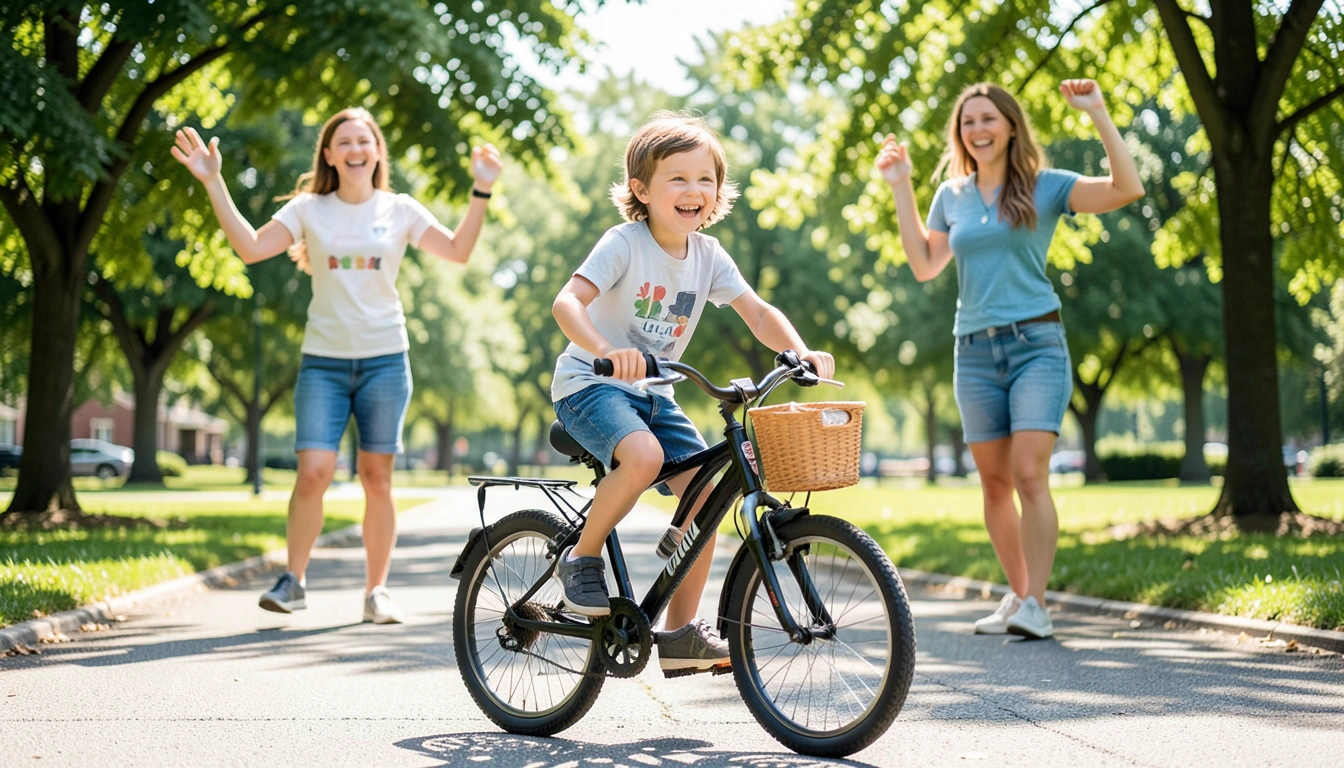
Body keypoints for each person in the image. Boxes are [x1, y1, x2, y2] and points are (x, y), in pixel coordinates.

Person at [171, 108, 503, 624]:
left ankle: (376, 592)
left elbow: (458, 251)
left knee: (377, 479)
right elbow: (251, 248)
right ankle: (293, 580)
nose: (355, 149)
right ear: (328, 154)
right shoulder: (309, 208)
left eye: (363, 140)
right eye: (343, 141)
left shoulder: (400, 209)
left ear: (377, 151)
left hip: (384, 360)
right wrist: (214, 181)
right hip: (323, 362)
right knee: (313, 473)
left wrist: (481, 189)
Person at [549, 112, 835, 673]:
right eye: (677, 178)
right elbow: (567, 302)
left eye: (705, 178)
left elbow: (757, 312)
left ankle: (680, 636)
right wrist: (606, 350)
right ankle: (581, 558)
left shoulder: (708, 255)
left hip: (656, 395)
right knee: (644, 457)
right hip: (592, 385)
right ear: (641, 190)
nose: (693, 190)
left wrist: (799, 351)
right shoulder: (624, 243)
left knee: (707, 495)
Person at [874, 81, 1142, 639]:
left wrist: (1097, 111)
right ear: (960, 134)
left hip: (1036, 345)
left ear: (1011, 126)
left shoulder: (1045, 186)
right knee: (995, 485)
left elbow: (1127, 188)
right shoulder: (952, 195)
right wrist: (900, 186)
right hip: (973, 352)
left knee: (1029, 473)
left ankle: (1037, 604)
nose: (977, 129)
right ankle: (1020, 597)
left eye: (988, 118)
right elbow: (925, 264)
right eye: (968, 121)